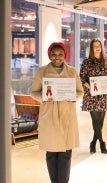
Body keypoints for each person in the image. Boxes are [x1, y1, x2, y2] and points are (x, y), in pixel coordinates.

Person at [30, 42, 84, 183]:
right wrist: (45, 97)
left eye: (60, 54)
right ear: (49, 55)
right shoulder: (42, 71)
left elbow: (80, 92)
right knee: (51, 153)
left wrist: (72, 97)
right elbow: (33, 92)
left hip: (67, 115)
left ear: (65, 55)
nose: (57, 57)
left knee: (66, 153)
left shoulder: (72, 71)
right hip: (49, 115)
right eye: (53, 54)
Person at [79, 39, 107, 154]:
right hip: (92, 95)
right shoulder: (87, 61)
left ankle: (93, 142)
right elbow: (81, 78)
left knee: (100, 121)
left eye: (99, 46)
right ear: (91, 48)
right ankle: (102, 142)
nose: (97, 48)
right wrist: (90, 87)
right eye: (95, 46)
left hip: (104, 95)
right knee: (95, 120)